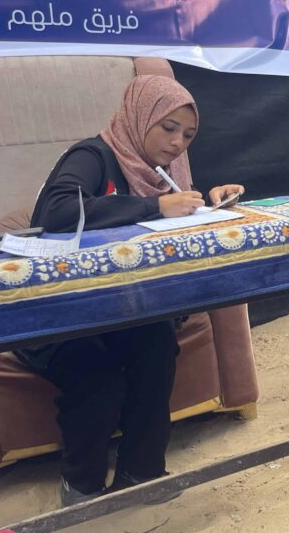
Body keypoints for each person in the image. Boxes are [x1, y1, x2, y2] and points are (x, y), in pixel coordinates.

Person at [17, 75, 244, 508]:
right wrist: (155, 206)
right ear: (139, 117)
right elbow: (56, 211)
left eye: (188, 135)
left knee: (157, 344)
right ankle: (81, 485)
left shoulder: (166, 173)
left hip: (120, 308)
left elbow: (175, 214)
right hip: (61, 312)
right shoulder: (93, 155)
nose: (177, 143)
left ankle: (141, 472)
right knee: (97, 375)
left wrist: (211, 201)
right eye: (168, 127)